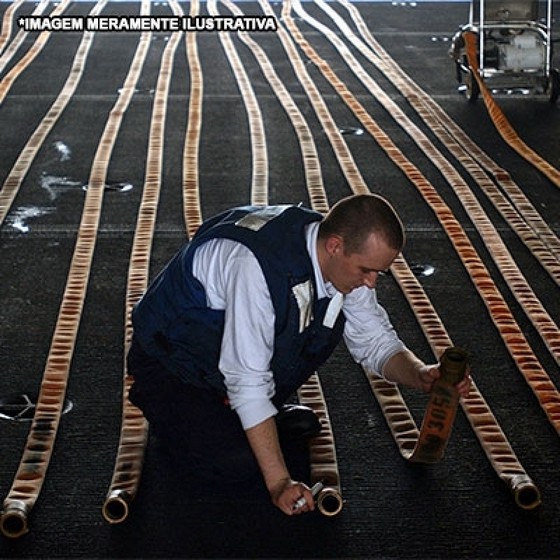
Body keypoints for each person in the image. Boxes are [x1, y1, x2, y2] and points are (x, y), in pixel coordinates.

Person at [127, 194, 471, 516]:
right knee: (234, 465)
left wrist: (421, 374)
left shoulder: (337, 257)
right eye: (366, 271)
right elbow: (247, 380)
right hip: (170, 366)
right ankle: (177, 417)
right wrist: (279, 483)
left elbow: (374, 340)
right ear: (335, 246)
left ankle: (250, 419)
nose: (370, 283)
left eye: (378, 273)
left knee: (303, 337)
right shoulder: (256, 266)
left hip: (220, 362)